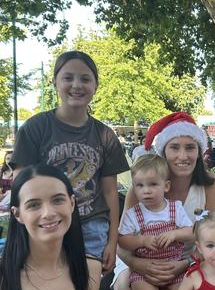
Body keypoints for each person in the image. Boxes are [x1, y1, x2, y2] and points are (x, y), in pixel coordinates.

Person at [11, 50, 129, 269]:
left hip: (92, 227)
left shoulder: (105, 135)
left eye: (85, 79)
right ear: (55, 82)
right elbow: (20, 186)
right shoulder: (35, 128)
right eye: (68, 77)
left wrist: (113, 241)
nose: (77, 85)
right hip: (47, 224)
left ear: (95, 86)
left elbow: (111, 192)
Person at [113, 111, 215, 290]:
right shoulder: (143, 187)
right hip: (137, 255)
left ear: (200, 150)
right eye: (175, 147)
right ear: (163, 150)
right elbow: (121, 240)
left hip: (188, 259)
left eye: (190, 147)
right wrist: (138, 264)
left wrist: (184, 264)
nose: (182, 155)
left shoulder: (210, 185)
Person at [118, 154, 195, 290]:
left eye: (153, 184)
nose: (146, 191)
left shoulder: (174, 208)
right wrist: (141, 241)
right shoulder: (133, 214)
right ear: (134, 188)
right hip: (144, 269)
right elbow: (122, 240)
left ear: (166, 186)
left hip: (173, 266)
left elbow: (191, 232)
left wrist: (175, 234)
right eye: (140, 185)